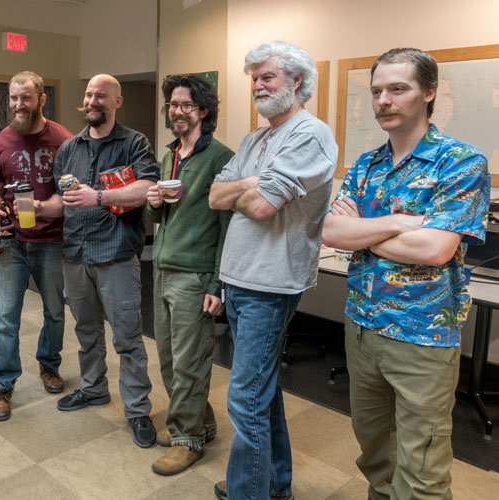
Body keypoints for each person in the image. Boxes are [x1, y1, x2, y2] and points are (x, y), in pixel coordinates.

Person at [322, 47, 490, 500]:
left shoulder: (460, 162)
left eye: (398, 89)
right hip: (362, 327)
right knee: (374, 450)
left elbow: (435, 249)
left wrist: (363, 230)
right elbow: (331, 231)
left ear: (429, 92)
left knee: (422, 468)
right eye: (377, 91)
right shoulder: (368, 164)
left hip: (423, 337)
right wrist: (400, 223)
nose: (383, 101)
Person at [209, 41, 337, 500]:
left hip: (270, 283)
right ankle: (274, 483)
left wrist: (243, 188)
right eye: (254, 79)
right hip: (238, 278)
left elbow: (261, 207)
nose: (258, 86)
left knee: (244, 398)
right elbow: (214, 195)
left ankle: (249, 492)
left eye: (268, 77)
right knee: (261, 391)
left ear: (297, 80)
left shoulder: (310, 134)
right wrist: (247, 183)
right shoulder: (253, 139)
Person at [48, 74, 160, 448]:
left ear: (117, 101)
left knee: (127, 337)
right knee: (86, 331)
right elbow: (59, 201)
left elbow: (146, 188)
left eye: (101, 96)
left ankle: (138, 410)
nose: (93, 100)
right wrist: (23, 211)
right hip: (75, 254)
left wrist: (97, 196)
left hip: (115, 254)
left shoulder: (134, 143)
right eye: (89, 94)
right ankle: (94, 389)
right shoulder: (69, 148)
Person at [145, 74, 233, 475]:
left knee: (190, 362)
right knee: (166, 357)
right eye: (172, 105)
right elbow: (161, 216)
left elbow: (227, 229)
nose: (177, 112)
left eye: (185, 105)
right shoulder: (170, 156)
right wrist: (152, 202)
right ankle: (202, 421)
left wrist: (217, 284)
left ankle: (188, 439)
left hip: (195, 276)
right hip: (163, 267)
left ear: (204, 111)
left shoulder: (221, 159)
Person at [0, 71, 73, 421]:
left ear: (41, 99)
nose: (19, 105)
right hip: (10, 240)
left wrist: (45, 206)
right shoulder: (1, 142)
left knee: (54, 310)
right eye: (13, 98)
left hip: (51, 239)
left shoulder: (63, 140)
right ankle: (3, 384)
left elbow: (69, 191)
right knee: (5, 318)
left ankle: (49, 365)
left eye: (25, 98)